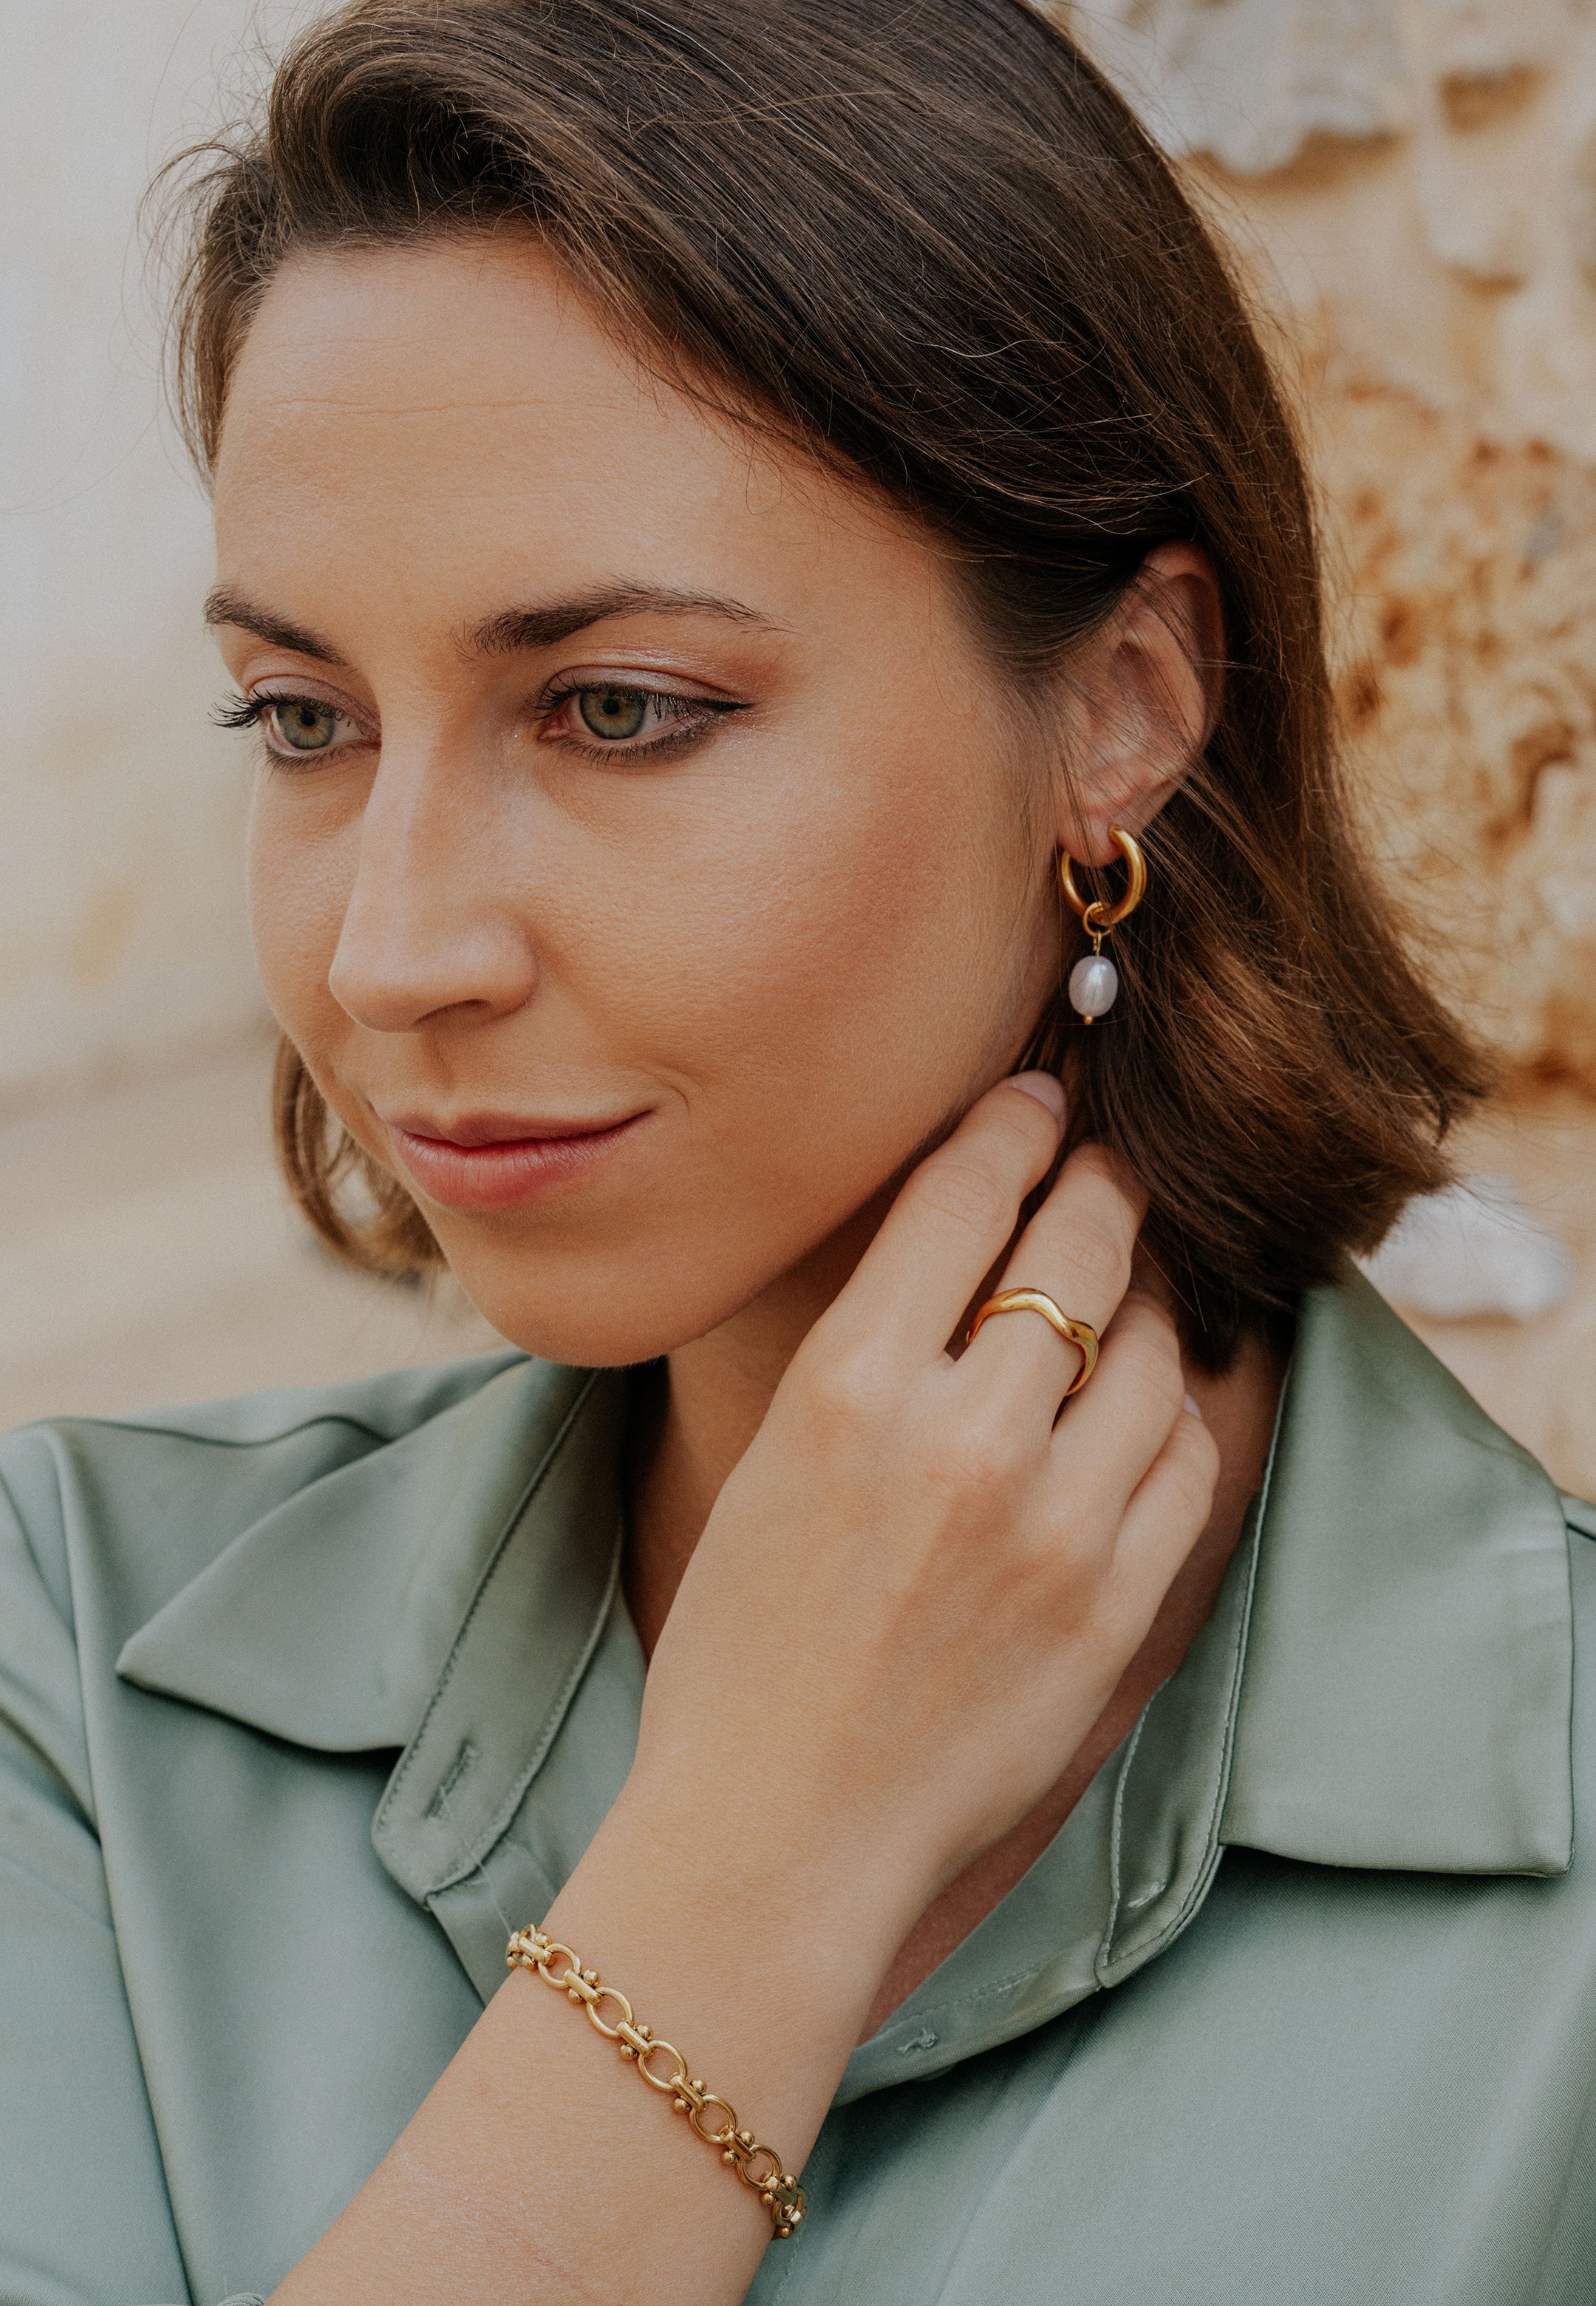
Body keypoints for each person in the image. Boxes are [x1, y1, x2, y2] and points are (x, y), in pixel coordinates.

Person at [4, 3, 1592, 2300]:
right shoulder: (75, 1665)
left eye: (622, 707)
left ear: (1127, 706)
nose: (393, 946)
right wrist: (755, 1875)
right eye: (303, 720)